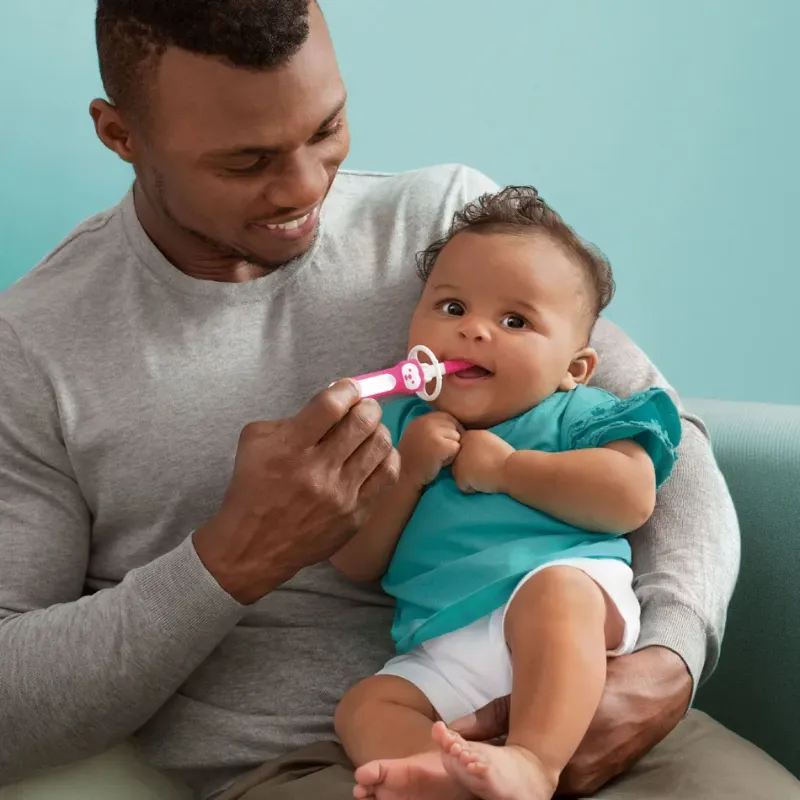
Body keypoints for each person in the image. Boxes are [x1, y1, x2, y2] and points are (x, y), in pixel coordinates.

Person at [0, 1, 796, 799]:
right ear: (121, 135)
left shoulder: (447, 226)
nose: (306, 188)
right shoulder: (33, 348)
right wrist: (232, 559)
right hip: (326, 762)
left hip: (585, 705)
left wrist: (667, 660)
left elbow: (662, 442)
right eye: (246, 162)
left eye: (326, 129)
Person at [332, 185, 682, 800]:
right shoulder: (397, 427)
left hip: (564, 616)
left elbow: (630, 497)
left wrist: (507, 469)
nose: (473, 332)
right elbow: (355, 562)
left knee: (553, 593)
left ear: (574, 369)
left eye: (514, 321)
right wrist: (410, 473)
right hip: (445, 641)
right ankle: (446, 778)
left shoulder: (577, 414)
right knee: (365, 706)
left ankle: (534, 763)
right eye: (451, 307)